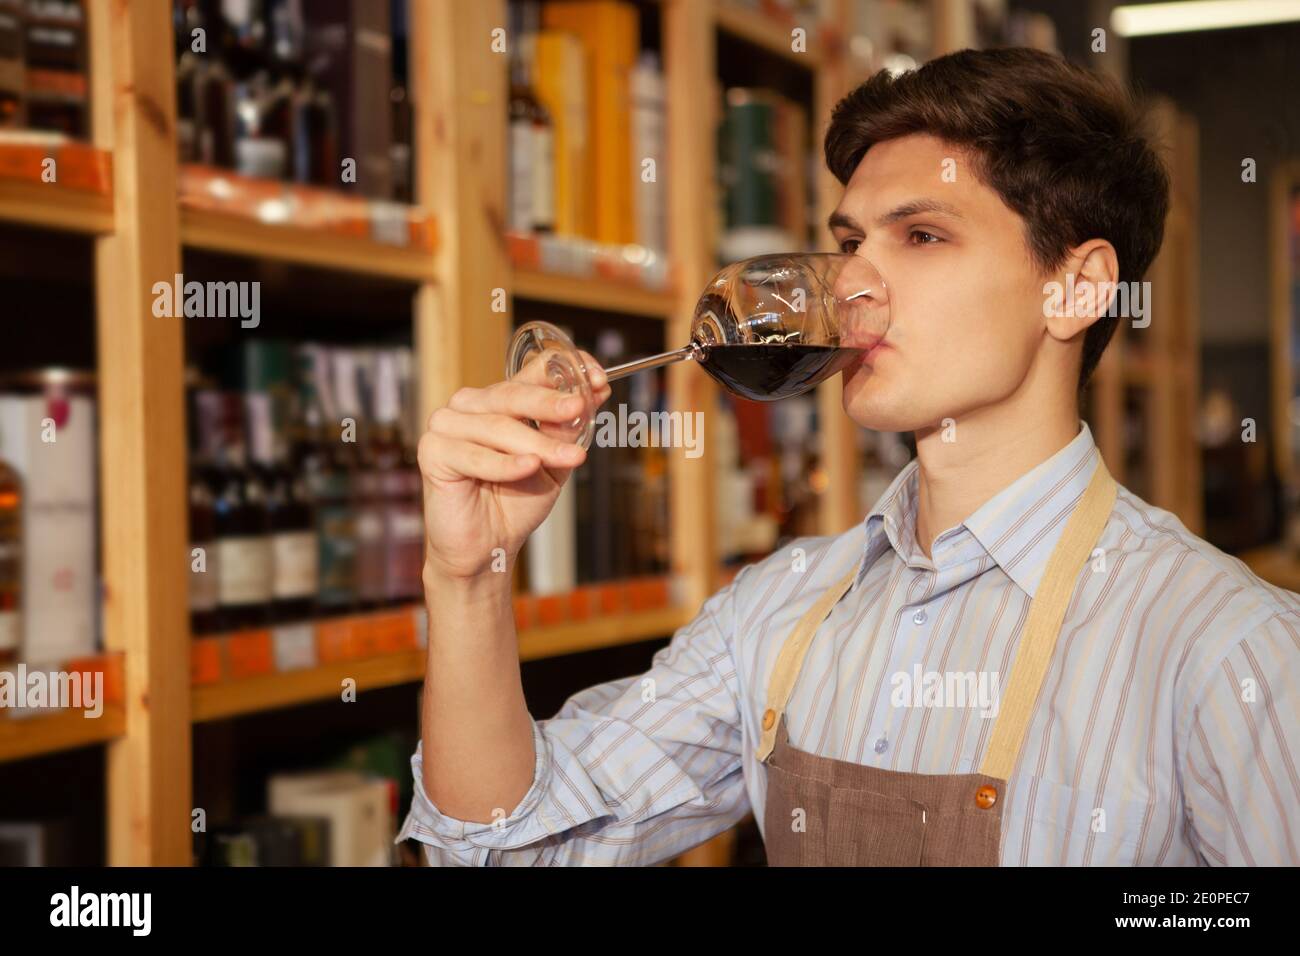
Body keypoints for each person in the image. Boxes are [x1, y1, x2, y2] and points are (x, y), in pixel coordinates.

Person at [398, 47, 1299, 866]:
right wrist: (470, 576)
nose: (855, 284)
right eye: (849, 243)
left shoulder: (1224, 647)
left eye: (923, 235)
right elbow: (509, 847)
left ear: (1077, 287)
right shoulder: (778, 610)